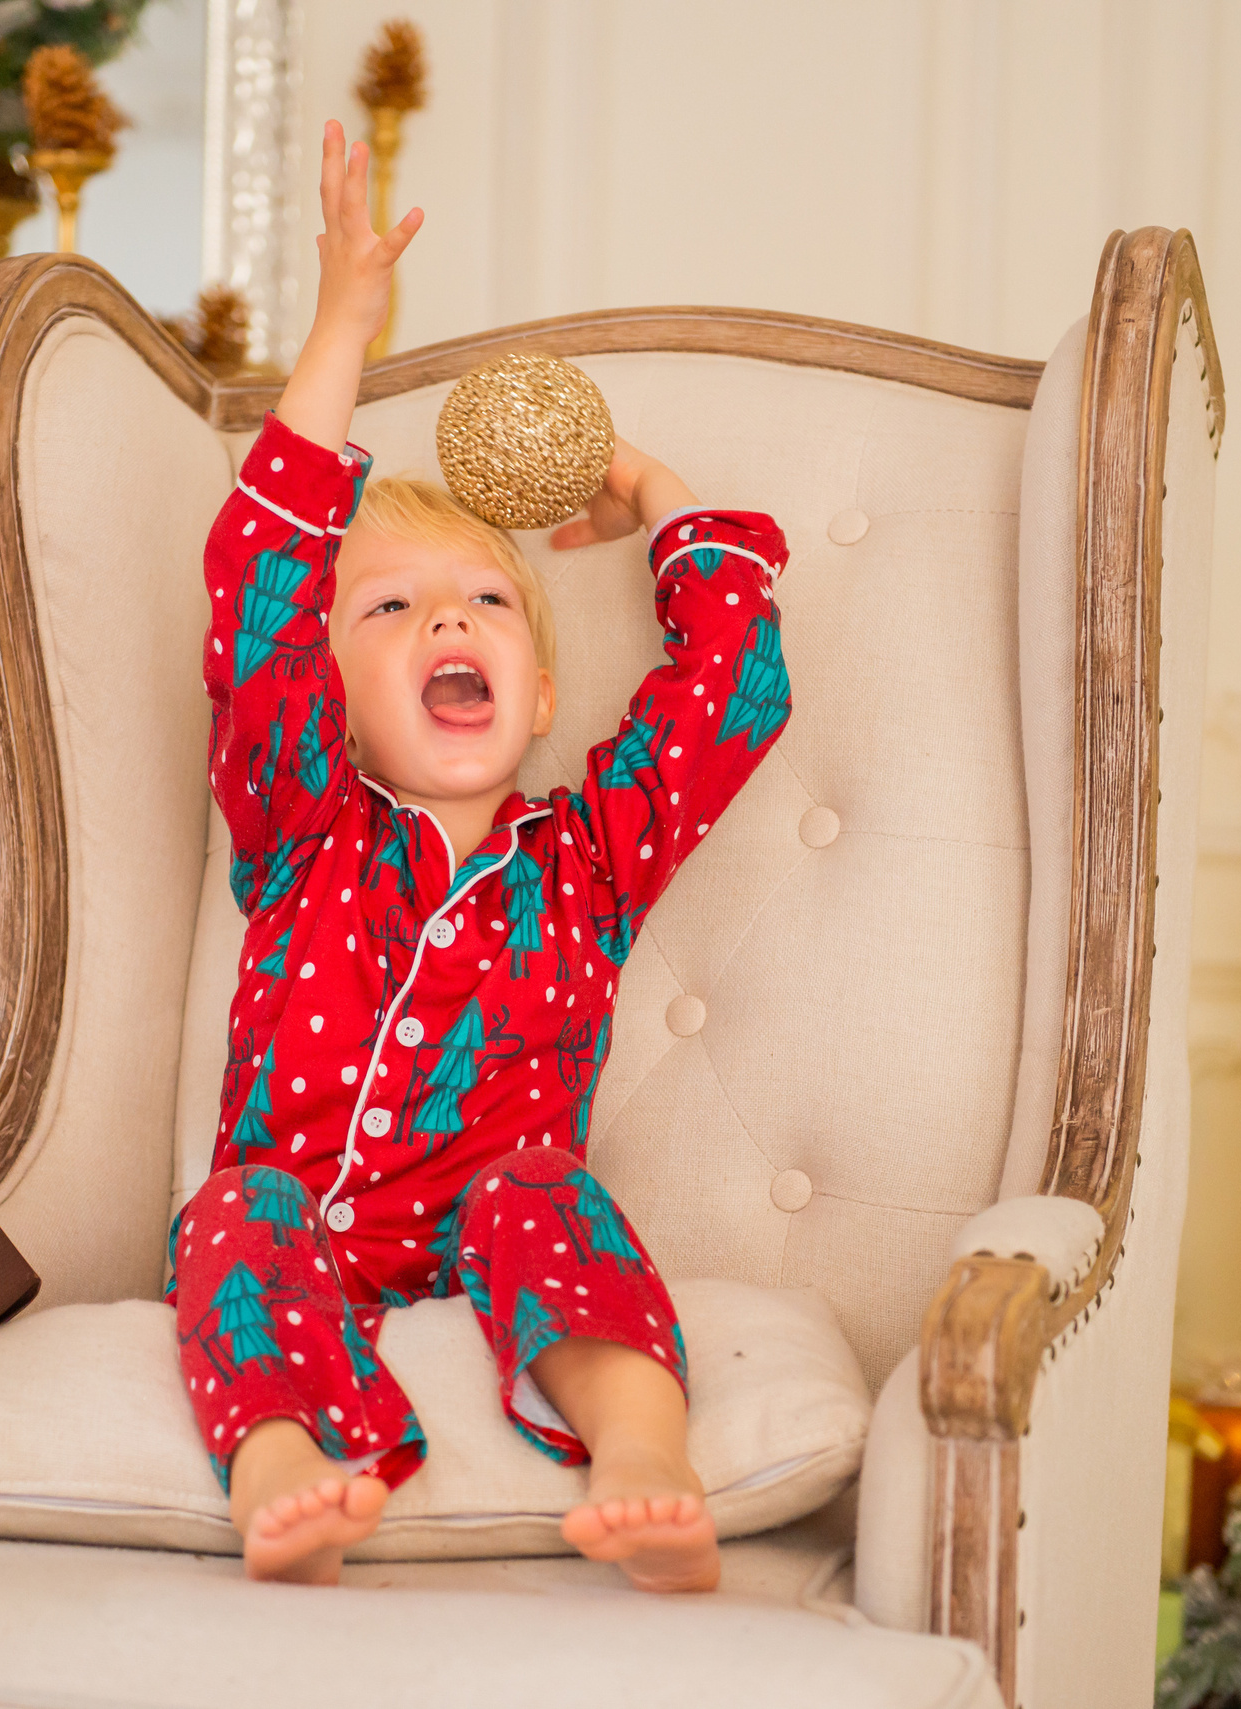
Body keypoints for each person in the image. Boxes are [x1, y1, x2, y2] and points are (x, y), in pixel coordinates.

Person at [169, 118, 792, 1591]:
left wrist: (640, 487)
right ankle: (286, 1477)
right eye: (388, 612)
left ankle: (643, 1451)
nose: (447, 624)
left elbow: (735, 688)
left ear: (544, 694)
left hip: (485, 1209)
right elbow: (262, 594)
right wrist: (340, 331)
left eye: (484, 606)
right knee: (231, 1215)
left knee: (545, 1194)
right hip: (299, 1213)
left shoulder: (589, 854)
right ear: (331, 692)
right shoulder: (300, 818)